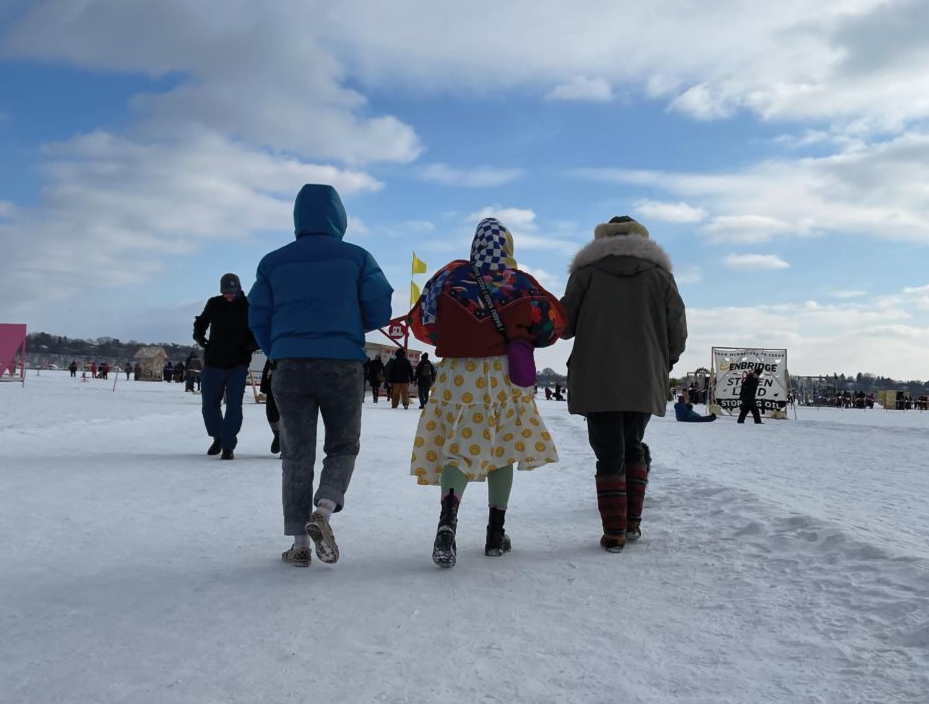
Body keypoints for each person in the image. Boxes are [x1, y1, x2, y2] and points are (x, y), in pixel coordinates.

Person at [248, 184, 393, 568]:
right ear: (339, 216)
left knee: (296, 453)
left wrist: (280, 346)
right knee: (343, 445)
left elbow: (257, 316)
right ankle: (323, 510)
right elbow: (379, 309)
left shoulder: (273, 262)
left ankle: (299, 544)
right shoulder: (357, 258)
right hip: (342, 363)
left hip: (290, 365)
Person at [410, 217, 567, 568]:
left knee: (458, 447)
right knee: (504, 447)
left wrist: (459, 336)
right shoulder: (522, 283)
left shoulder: (449, 279)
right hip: (504, 374)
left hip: (458, 374)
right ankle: (496, 534)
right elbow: (552, 325)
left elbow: (424, 322)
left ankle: (446, 526)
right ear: (507, 247)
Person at [561, 215, 687, 551]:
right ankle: (632, 524)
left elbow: (564, 325)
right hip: (645, 376)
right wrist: (665, 362)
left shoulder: (585, 275)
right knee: (633, 444)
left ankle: (614, 532)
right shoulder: (661, 277)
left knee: (608, 454)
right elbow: (677, 329)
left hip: (596, 374)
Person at [193, 273, 259, 460]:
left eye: (232, 291)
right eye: (225, 292)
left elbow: (259, 327)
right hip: (214, 361)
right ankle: (218, 437)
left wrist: (253, 345)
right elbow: (202, 321)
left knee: (234, 406)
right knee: (209, 405)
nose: (229, 295)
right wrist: (198, 335)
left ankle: (229, 444)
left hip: (238, 363)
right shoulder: (214, 303)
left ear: (238, 288)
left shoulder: (248, 305)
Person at [259, 358, 281, 454]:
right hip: (276, 361)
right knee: (272, 412)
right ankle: (278, 435)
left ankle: (286, 443)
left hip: (300, 366)